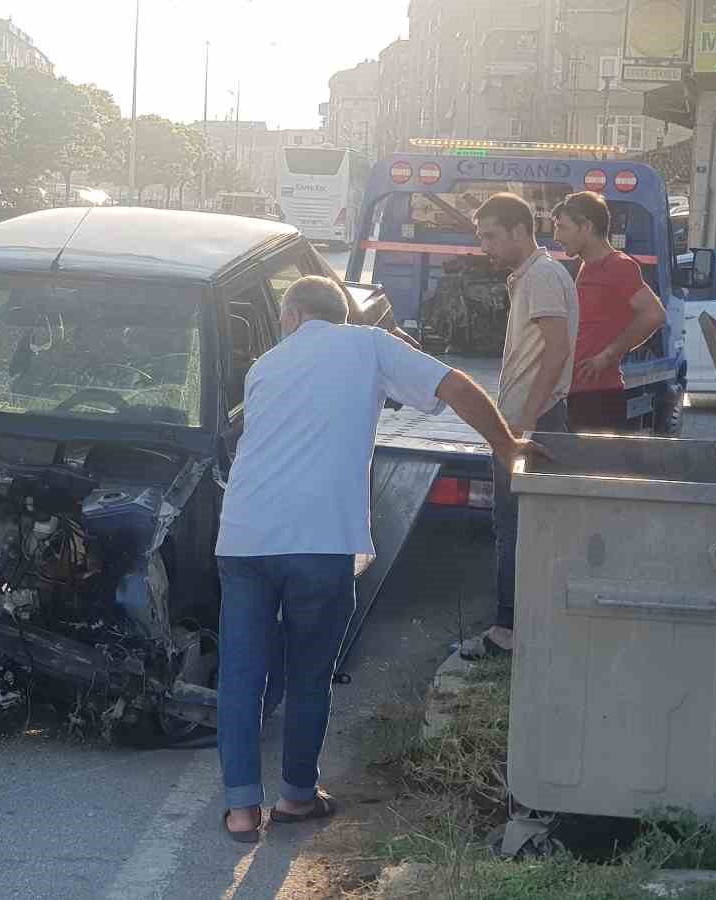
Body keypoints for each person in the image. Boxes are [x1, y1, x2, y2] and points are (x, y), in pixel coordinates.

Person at [215, 275, 541, 841]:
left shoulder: (264, 364)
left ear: (291, 315)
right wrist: (507, 444)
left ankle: (241, 809)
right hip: (321, 538)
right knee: (309, 672)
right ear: (340, 314)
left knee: (243, 673)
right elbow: (456, 385)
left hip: (244, 535)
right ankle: (295, 797)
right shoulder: (368, 343)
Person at [461, 192, 577, 660]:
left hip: (532, 421)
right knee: (525, 527)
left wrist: (524, 425)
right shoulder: (534, 275)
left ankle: (507, 632)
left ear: (518, 231)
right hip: (529, 418)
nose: (485, 246)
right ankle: (527, 624)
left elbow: (557, 349)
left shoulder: (543, 277)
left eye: (490, 236)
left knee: (513, 528)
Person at [551, 191, 666, 432]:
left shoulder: (618, 266)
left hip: (597, 396)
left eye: (562, 228)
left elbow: (654, 314)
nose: (557, 236)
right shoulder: (587, 265)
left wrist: (609, 355)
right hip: (578, 392)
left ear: (586, 227)